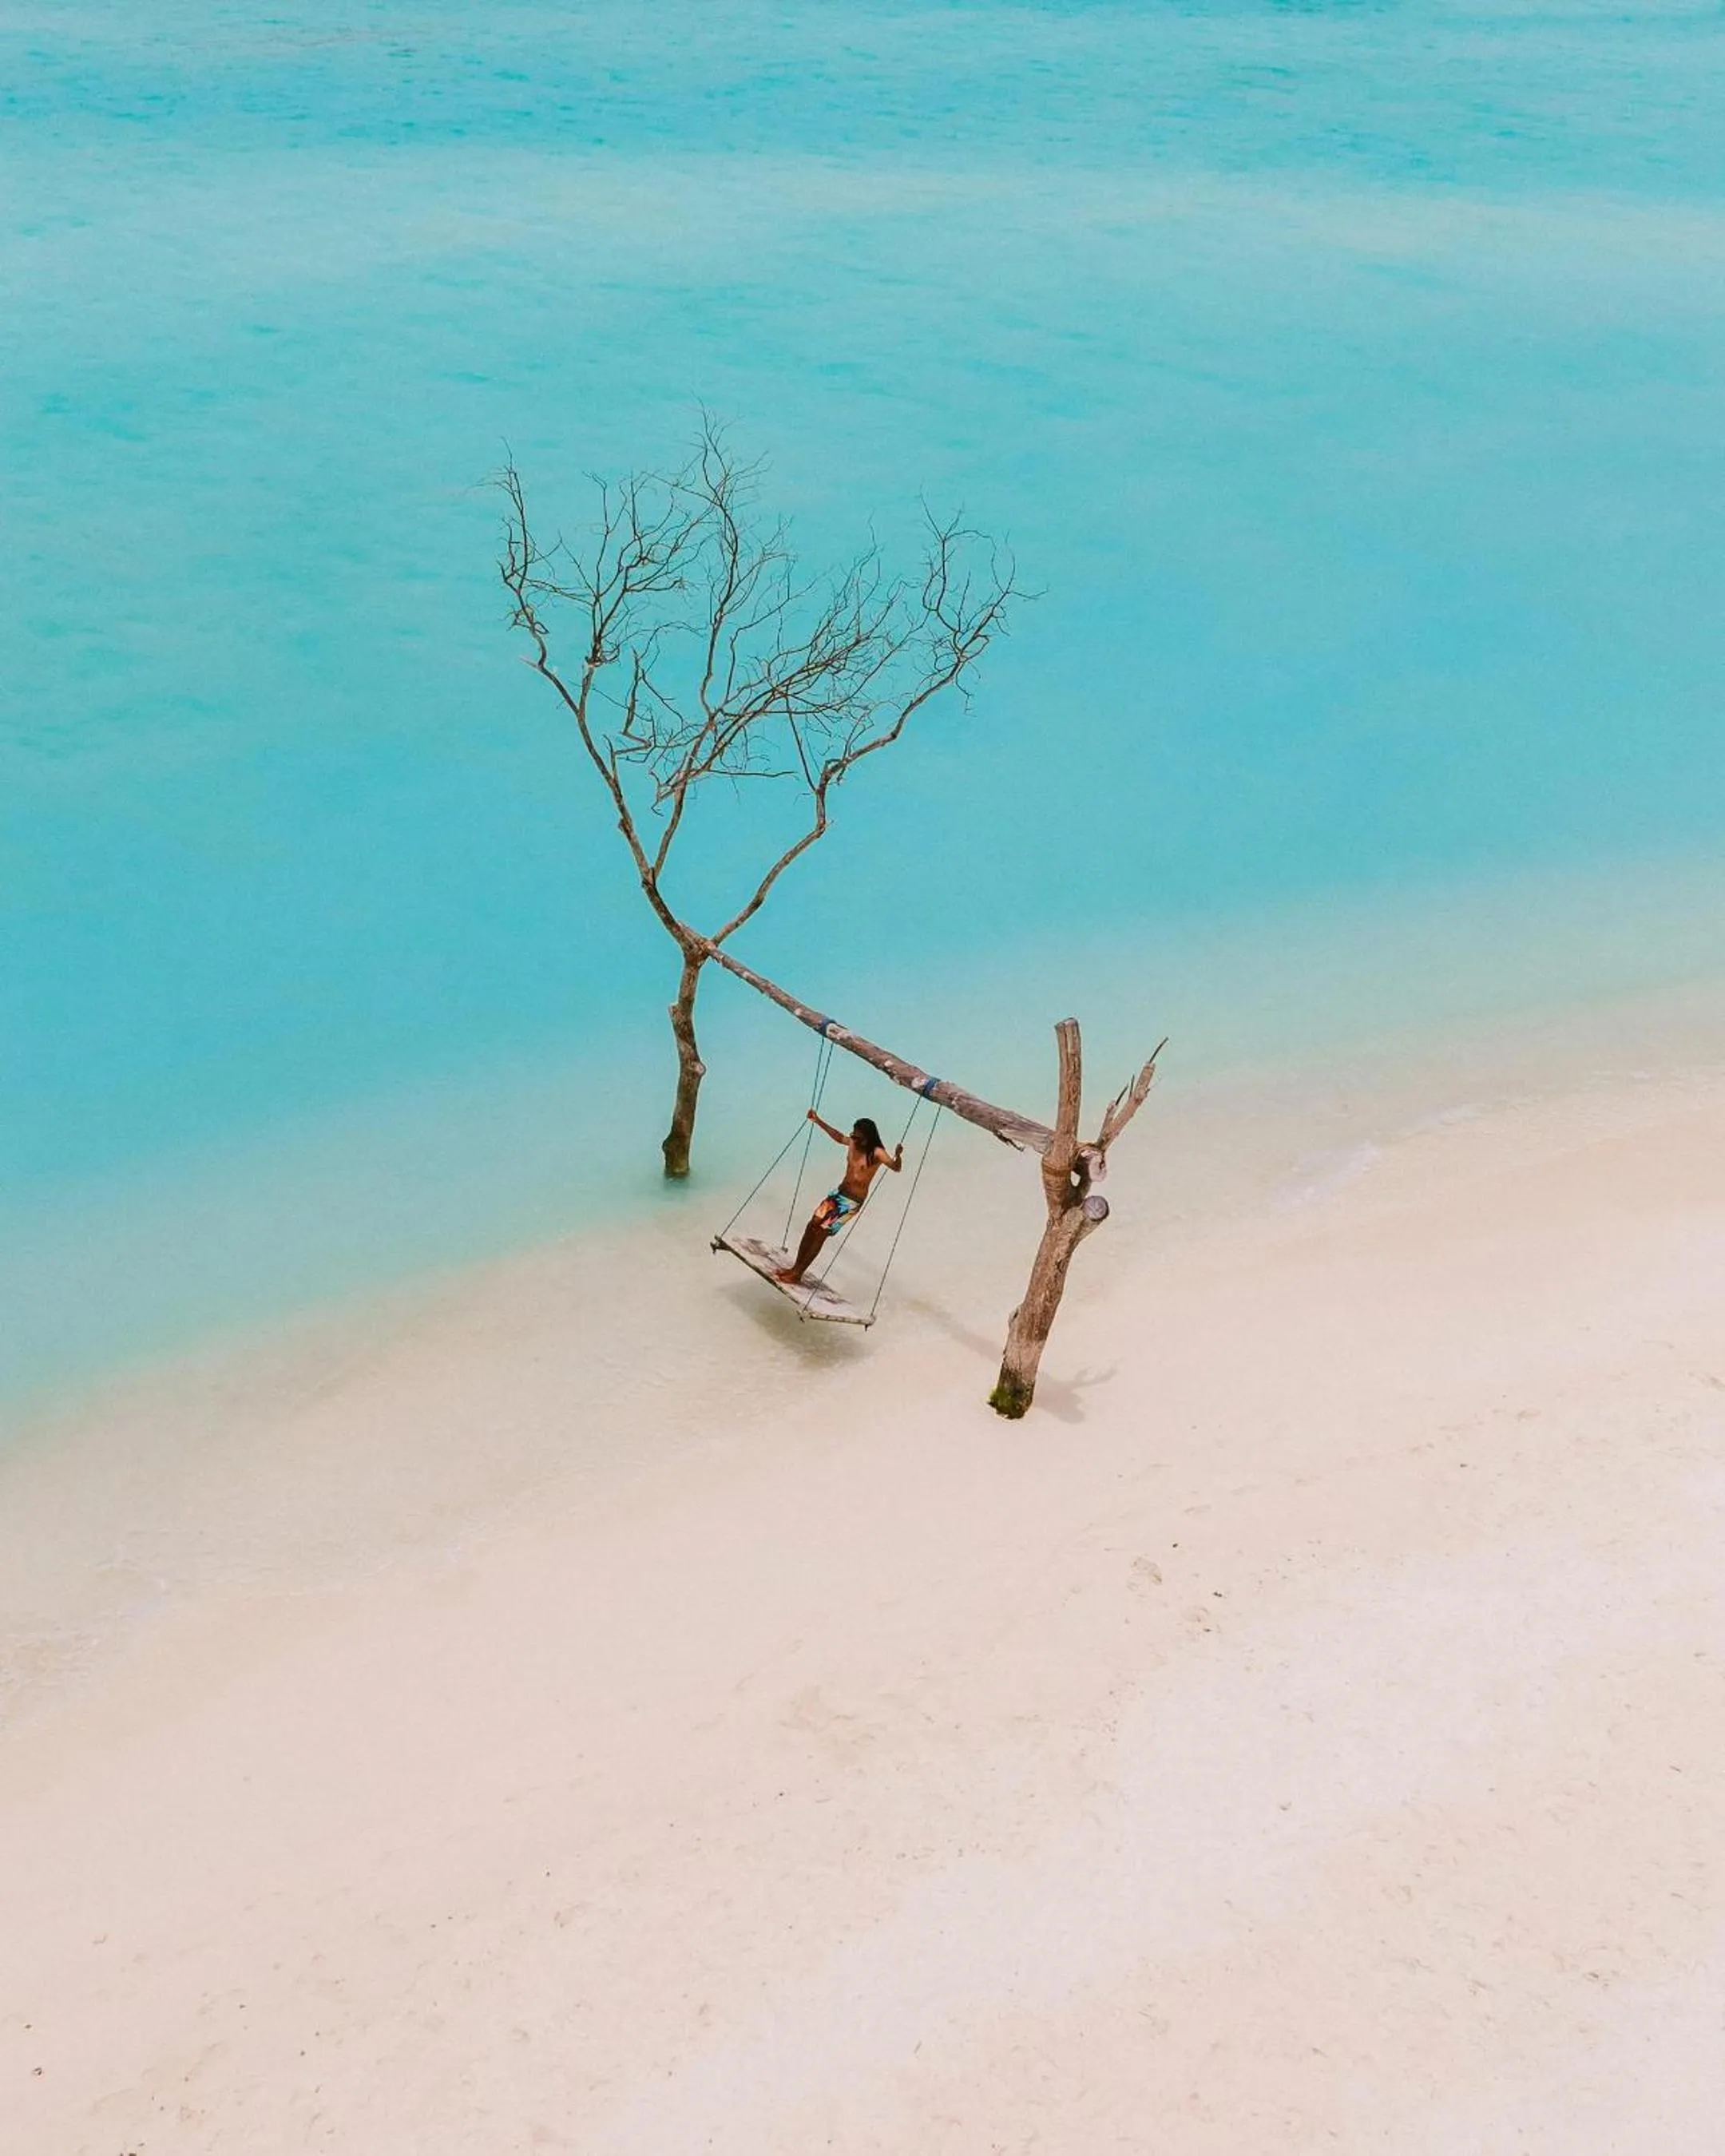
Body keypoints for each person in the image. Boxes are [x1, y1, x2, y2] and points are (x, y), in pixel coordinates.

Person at [775, 1112, 902, 1283]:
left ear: (868, 1136)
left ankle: (798, 1274)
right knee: (811, 1226)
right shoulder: (853, 1144)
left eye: (858, 1135)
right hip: (838, 1195)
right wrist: (818, 1120)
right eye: (854, 1134)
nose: (853, 1138)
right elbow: (837, 1136)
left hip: (851, 1203)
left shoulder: (877, 1153)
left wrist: (898, 1155)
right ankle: (794, 1268)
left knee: (821, 1233)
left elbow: (895, 1167)